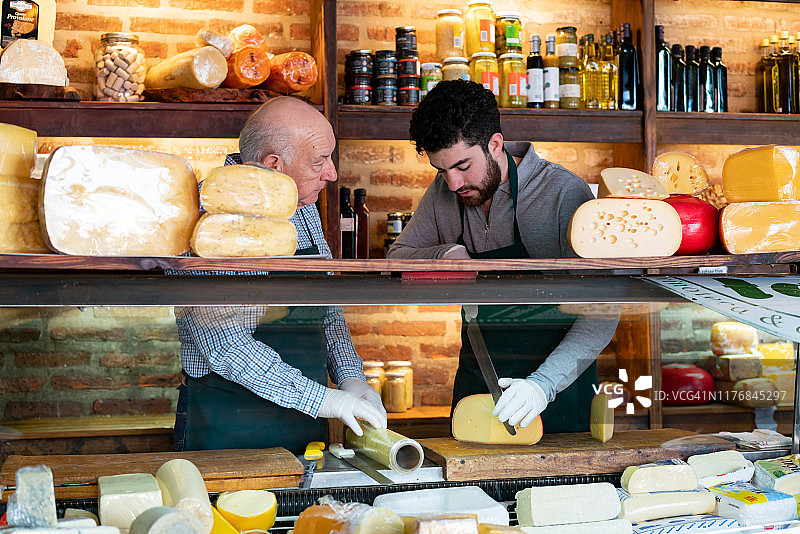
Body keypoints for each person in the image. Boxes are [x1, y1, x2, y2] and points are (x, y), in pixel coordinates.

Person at [387, 80, 618, 433]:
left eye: (463, 166)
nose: (452, 184)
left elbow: (603, 310)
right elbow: (395, 258)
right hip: (479, 377)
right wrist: (446, 254)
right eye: (441, 170)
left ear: (495, 144)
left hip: (557, 387)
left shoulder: (563, 193)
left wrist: (543, 386)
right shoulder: (443, 193)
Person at [172, 97, 386, 453]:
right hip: (229, 422)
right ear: (275, 166)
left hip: (304, 417)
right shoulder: (206, 218)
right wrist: (327, 402)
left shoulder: (302, 206)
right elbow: (226, 346)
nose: (331, 174)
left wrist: (350, 378)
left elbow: (325, 308)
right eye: (319, 161)